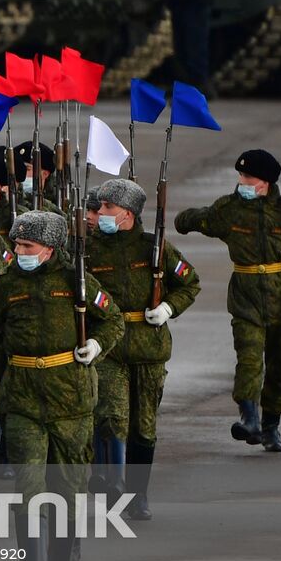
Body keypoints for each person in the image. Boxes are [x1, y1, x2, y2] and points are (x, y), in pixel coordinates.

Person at [0, 211, 124, 561]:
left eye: (27, 246)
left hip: (71, 399)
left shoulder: (75, 283)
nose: (19, 252)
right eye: (17, 245)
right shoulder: (4, 288)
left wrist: (94, 346)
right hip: (23, 398)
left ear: (50, 249)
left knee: (69, 486)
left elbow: (113, 321)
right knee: (29, 485)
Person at [175, 149, 281, 452]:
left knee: (280, 365)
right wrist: (183, 220)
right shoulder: (230, 210)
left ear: (265, 182)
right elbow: (198, 219)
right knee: (250, 358)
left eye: (248, 177)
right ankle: (249, 417)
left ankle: (271, 426)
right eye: (241, 176)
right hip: (246, 297)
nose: (242, 181)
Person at [86, 178, 200, 520]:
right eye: (100, 207)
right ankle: (114, 483)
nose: (100, 213)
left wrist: (167, 307)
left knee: (143, 426)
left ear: (129, 214)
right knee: (111, 416)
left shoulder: (155, 248)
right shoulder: (89, 249)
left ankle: (139, 496)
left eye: (108, 208)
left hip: (149, 346)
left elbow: (189, 282)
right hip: (110, 346)